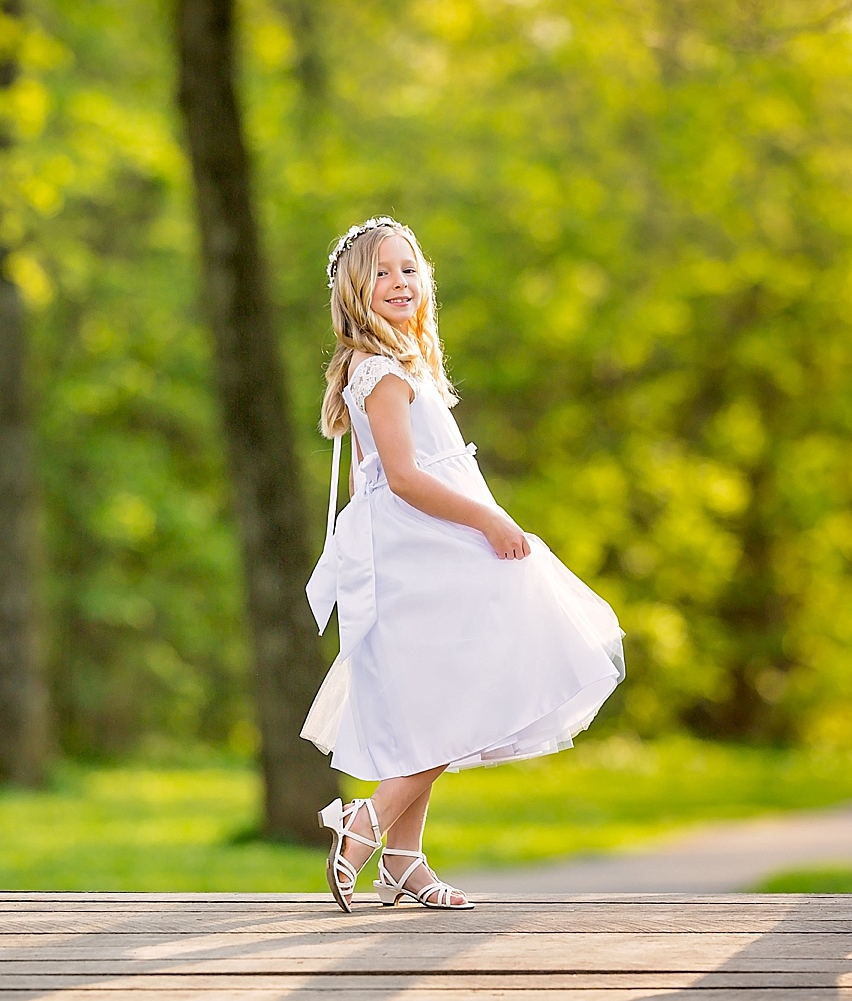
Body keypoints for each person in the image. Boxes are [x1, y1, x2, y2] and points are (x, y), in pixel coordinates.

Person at [304, 217, 625, 912]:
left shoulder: (394, 363)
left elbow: (370, 482)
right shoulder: (381, 370)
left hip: (424, 549)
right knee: (464, 695)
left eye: (409, 269)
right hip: (431, 551)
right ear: (356, 289)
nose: (399, 283)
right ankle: (365, 822)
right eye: (382, 272)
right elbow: (404, 476)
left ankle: (402, 861)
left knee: (430, 704)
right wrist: (489, 518)